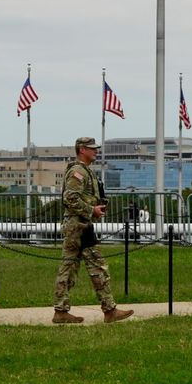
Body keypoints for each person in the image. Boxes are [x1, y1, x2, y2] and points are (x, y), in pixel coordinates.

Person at [52, 138, 134, 324]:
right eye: (92, 149)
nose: (95, 151)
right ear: (82, 150)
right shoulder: (78, 171)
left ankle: (61, 311)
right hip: (79, 227)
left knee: (68, 268)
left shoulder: (85, 170)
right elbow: (70, 198)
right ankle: (109, 309)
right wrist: (91, 210)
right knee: (97, 267)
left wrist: (95, 209)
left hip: (79, 225)